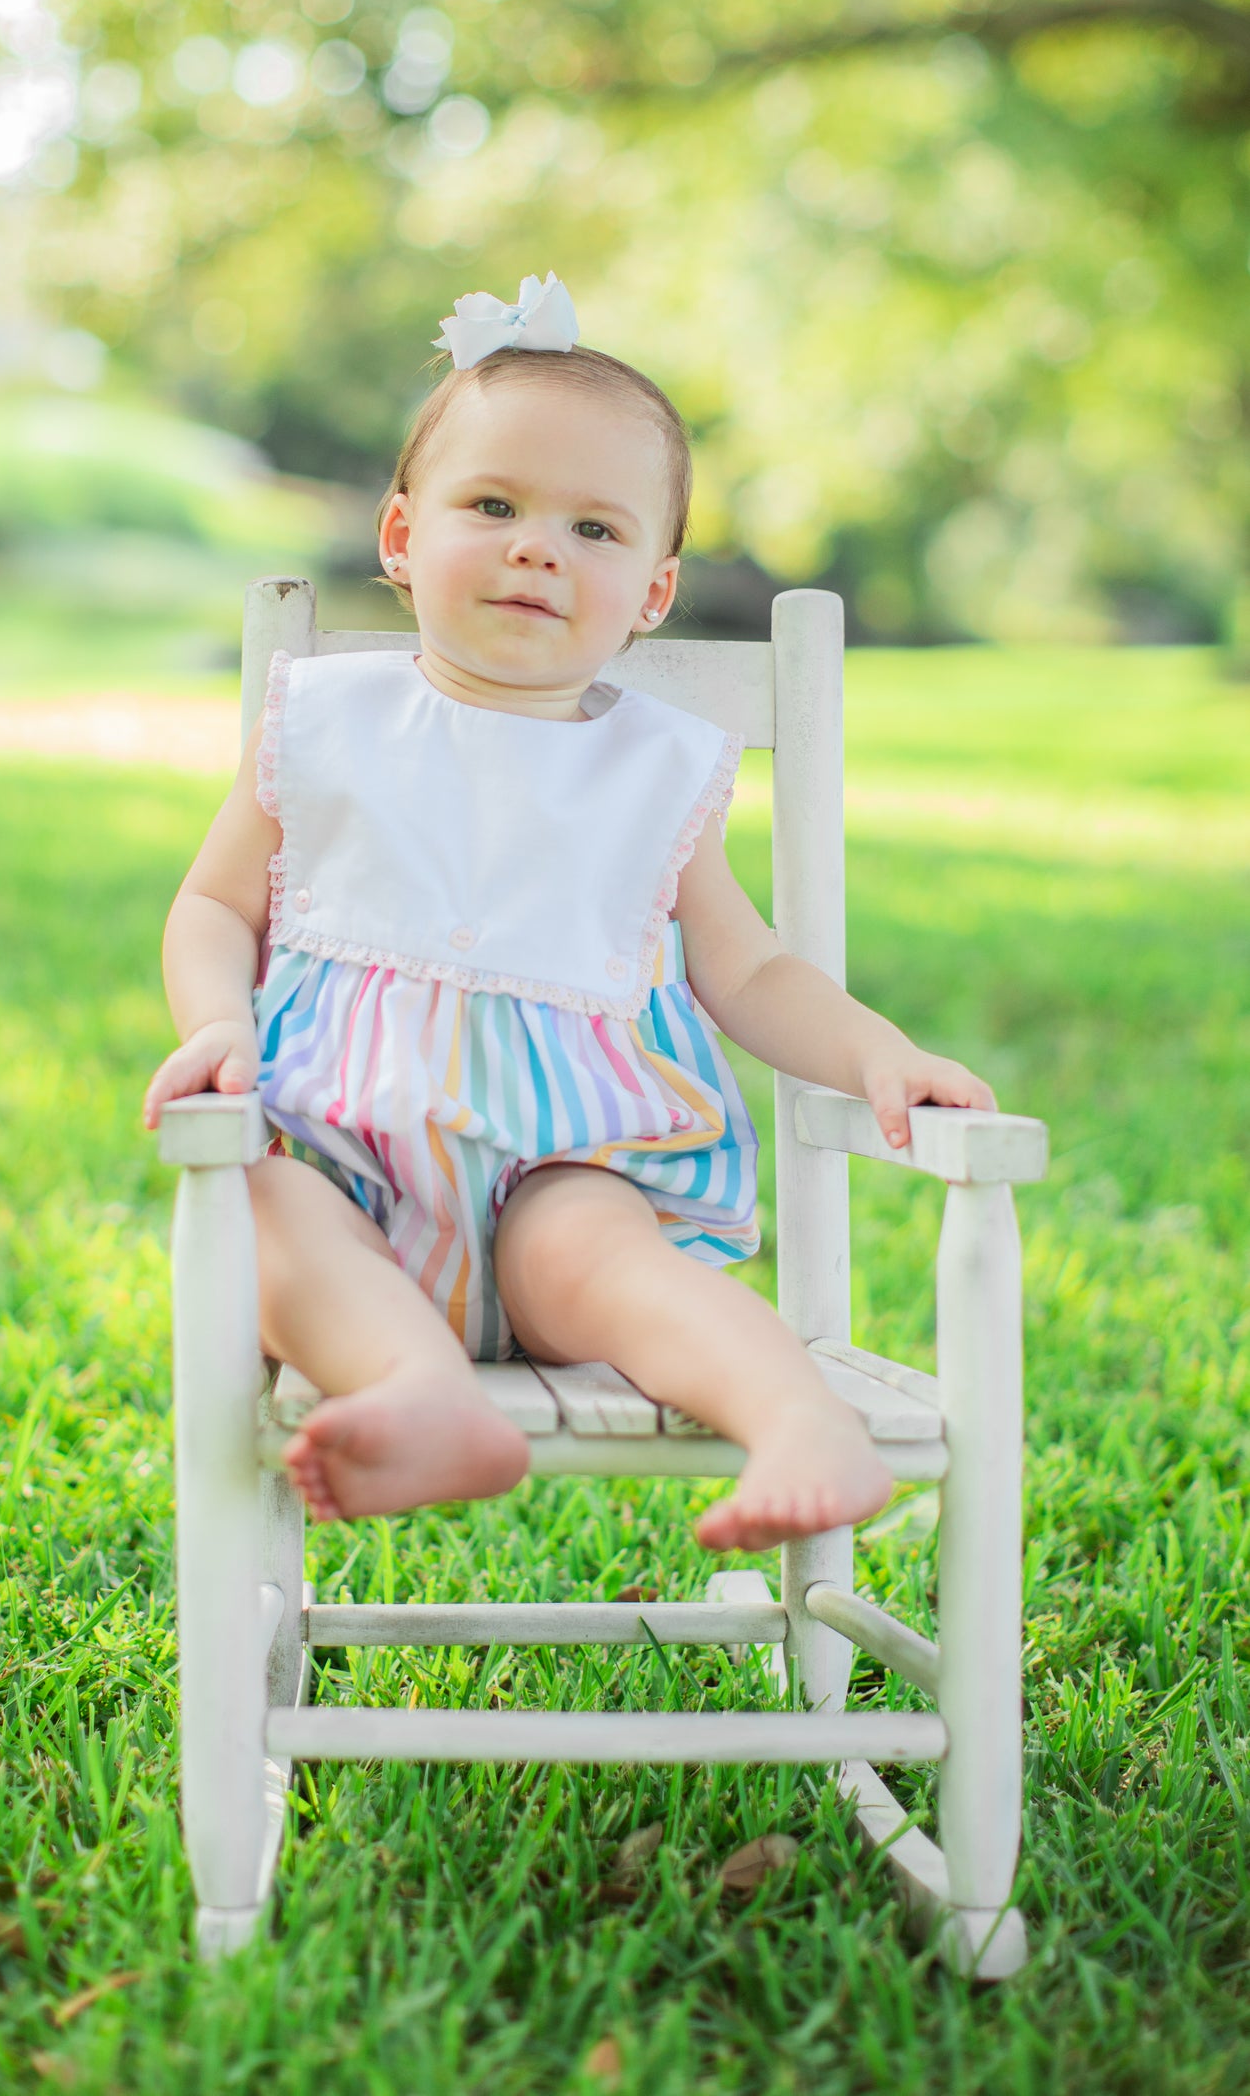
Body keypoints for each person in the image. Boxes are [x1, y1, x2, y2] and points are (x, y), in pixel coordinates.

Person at [142, 272, 997, 1552]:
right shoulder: (321, 723)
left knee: (608, 1252)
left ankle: (793, 1416)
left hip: (567, 1163)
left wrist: (880, 1050)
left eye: (595, 530)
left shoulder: (659, 766)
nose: (538, 545)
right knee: (260, 1206)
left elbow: (749, 969)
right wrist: (214, 1020)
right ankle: (422, 1393)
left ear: (650, 594)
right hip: (342, 1161)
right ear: (399, 536)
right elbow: (213, 904)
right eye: (491, 505)